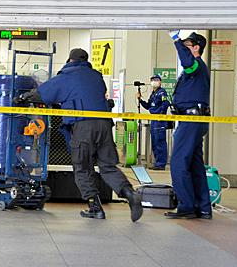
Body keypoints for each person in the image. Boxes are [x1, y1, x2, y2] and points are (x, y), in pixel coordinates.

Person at [16, 48, 143, 222]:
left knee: (82, 167)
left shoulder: (67, 75)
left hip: (83, 127)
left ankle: (95, 207)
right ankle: (129, 193)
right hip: (104, 125)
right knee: (108, 166)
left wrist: (22, 97)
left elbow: (44, 93)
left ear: (70, 60)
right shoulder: (96, 76)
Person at [165, 31, 212, 220]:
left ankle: (186, 205)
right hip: (195, 120)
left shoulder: (195, 66)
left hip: (191, 121)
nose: (183, 49)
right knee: (195, 165)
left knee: (178, 162)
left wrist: (176, 40)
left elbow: (187, 62)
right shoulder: (196, 70)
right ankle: (203, 207)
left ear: (196, 48)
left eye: (186, 46)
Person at [136, 75, 170, 170]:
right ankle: (157, 163)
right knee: (155, 142)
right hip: (153, 120)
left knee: (160, 142)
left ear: (160, 82)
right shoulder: (153, 94)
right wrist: (140, 100)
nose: (154, 82)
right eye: (152, 80)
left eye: (156, 80)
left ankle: (161, 163)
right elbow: (148, 106)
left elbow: (166, 104)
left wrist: (159, 114)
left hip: (159, 120)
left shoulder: (162, 92)